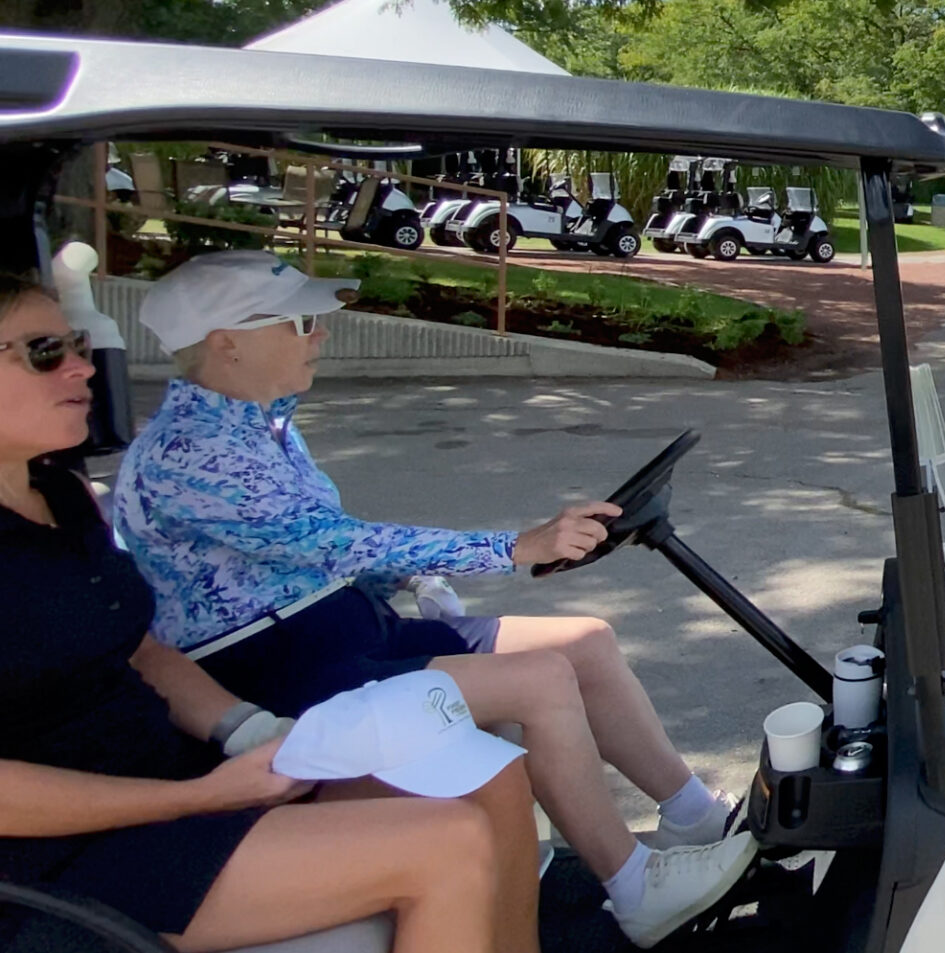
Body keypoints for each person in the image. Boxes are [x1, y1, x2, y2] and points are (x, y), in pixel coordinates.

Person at [109, 252, 755, 947]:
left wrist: (408, 580)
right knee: (540, 680)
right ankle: (635, 887)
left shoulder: (263, 425)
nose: (321, 332)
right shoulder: (188, 452)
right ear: (225, 343)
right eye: (300, 322)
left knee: (585, 642)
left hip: (343, 628)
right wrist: (514, 547)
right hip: (280, 667)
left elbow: (300, 559)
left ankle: (696, 818)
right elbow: (328, 541)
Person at [0, 269, 540, 953]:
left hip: (173, 778)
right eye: (45, 352)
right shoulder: (181, 455)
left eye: (76, 344)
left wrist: (251, 731)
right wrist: (199, 797)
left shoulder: (62, 496)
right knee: (447, 840)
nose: (82, 366)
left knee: (490, 771)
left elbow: (141, 651)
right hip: (64, 857)